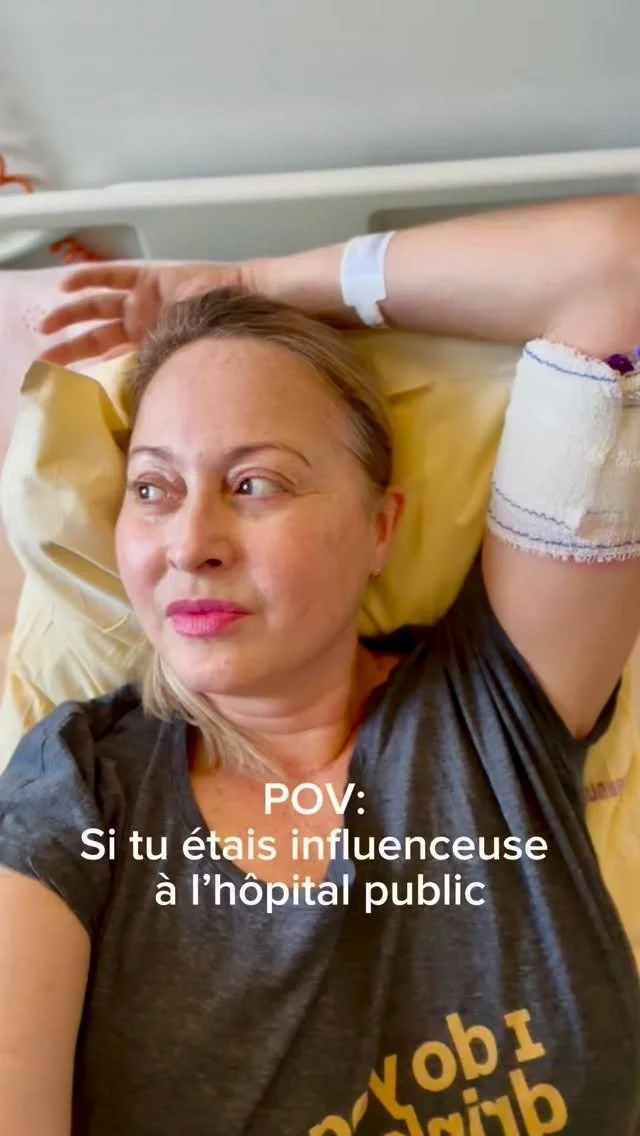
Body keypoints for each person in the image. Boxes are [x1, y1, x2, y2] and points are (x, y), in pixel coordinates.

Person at [1, 196, 640, 1136]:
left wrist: (257, 281)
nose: (190, 544)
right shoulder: (80, 794)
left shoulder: (496, 710)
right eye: (154, 488)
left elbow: (619, 269)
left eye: (254, 483)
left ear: (381, 527)